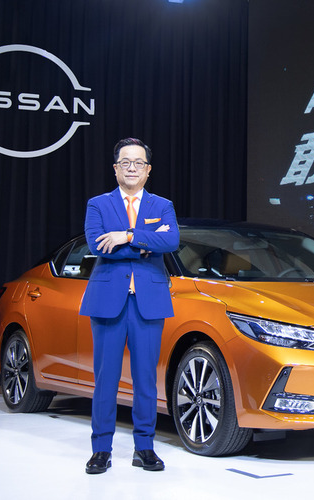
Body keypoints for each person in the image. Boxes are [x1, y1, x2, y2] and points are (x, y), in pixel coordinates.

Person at [80, 138, 179, 474]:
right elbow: (98, 245)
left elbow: (171, 240)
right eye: (126, 162)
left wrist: (127, 236)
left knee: (146, 380)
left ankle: (145, 448)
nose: (132, 168)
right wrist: (147, 243)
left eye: (138, 163)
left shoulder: (162, 205)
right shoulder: (98, 204)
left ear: (148, 170)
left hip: (148, 302)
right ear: (116, 168)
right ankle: (101, 449)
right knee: (105, 379)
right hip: (108, 301)